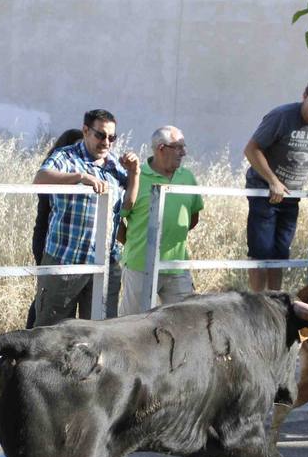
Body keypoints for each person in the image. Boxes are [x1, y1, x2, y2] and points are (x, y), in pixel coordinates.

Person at [33, 108, 140, 326]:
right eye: (100, 135)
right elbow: (40, 178)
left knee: (101, 334)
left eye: (112, 137)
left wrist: (134, 173)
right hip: (66, 260)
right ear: (85, 130)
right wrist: (81, 178)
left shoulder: (114, 166)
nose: (106, 142)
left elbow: (127, 204)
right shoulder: (67, 156)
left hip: (105, 261)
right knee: (51, 333)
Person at [243, 78, 308, 291]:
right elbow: (251, 149)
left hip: (291, 194)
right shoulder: (281, 116)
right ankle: (258, 304)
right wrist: (272, 181)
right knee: (261, 252)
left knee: (280, 252)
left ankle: (274, 301)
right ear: (305, 96)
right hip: (265, 191)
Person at [118, 126, 205, 314]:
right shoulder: (136, 176)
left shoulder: (188, 177)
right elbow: (117, 220)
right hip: (140, 265)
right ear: (161, 148)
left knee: (187, 321)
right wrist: (134, 244)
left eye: (184, 146)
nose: (184, 152)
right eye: (178, 147)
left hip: (177, 265)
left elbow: (193, 217)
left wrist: (169, 236)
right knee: (131, 325)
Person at [25, 128, 85, 329]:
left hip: (46, 236)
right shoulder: (56, 173)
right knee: (45, 298)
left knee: (45, 297)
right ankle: (30, 337)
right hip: (49, 239)